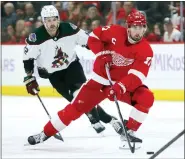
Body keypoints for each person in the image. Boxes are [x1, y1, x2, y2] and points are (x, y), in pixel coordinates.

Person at [27, 11, 154, 148]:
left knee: (146, 98)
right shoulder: (113, 31)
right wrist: (101, 53)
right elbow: (93, 37)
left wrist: (120, 86)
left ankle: (128, 131)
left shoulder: (146, 50)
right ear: (128, 27)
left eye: (141, 27)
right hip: (99, 82)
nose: (138, 31)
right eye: (135, 27)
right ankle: (45, 133)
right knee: (74, 109)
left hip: (120, 86)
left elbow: (137, 75)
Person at [23, 5, 123, 135]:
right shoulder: (36, 37)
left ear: (58, 19)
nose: (51, 23)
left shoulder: (68, 28)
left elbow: (88, 41)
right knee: (76, 102)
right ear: (43, 21)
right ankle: (108, 119)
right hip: (53, 74)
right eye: (48, 20)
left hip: (72, 66)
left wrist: (103, 51)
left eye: (54, 19)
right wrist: (29, 77)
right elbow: (28, 58)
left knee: (81, 94)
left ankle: (98, 119)